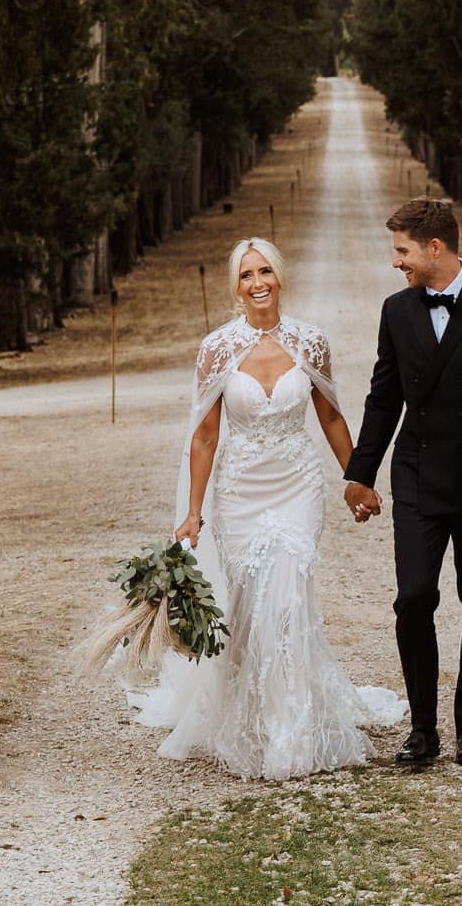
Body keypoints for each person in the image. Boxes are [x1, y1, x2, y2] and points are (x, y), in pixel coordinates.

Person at [128, 237, 406, 779]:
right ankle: (246, 715)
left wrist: (357, 479)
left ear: (279, 277)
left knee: (287, 593)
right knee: (251, 603)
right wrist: (193, 512)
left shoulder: (311, 342)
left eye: (265, 273)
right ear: (235, 287)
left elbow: (330, 417)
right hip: (240, 492)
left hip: (297, 485)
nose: (257, 284)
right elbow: (204, 437)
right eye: (246, 276)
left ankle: (291, 727)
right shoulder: (216, 349)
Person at [345, 198, 462, 768]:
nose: (396, 263)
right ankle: (423, 731)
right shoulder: (396, 311)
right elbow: (383, 399)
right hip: (419, 484)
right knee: (413, 599)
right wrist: (360, 473)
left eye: (402, 251)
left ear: (435, 248)